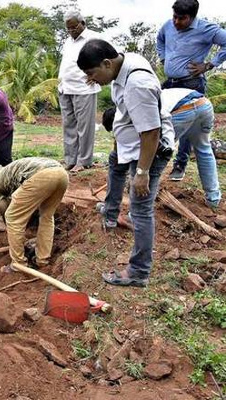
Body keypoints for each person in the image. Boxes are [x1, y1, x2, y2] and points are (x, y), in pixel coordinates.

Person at [77, 39, 175, 288]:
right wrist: (96, 75)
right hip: (135, 148)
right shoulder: (125, 63)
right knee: (136, 202)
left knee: (141, 209)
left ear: (107, 63)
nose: (92, 80)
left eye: (92, 73)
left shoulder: (137, 84)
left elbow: (151, 132)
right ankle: (137, 262)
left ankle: (138, 272)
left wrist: (142, 172)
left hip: (148, 151)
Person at [102, 88, 221, 211]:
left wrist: (138, 172)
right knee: (203, 149)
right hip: (204, 105)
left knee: (155, 154)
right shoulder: (133, 104)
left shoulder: (136, 111)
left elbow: (148, 142)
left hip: (183, 109)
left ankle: (139, 210)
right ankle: (213, 198)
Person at [157, 0, 226, 181]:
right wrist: (164, 58)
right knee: (160, 119)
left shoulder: (207, 29)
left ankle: (180, 165)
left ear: (192, 17)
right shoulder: (168, 25)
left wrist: (209, 64)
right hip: (170, 83)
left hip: (192, 84)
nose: (177, 22)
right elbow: (160, 38)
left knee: (190, 129)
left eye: (182, 18)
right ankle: (154, 161)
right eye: (175, 17)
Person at [0, 158, 68, 271]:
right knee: (47, 216)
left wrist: (12, 228)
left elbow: (3, 208)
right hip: (61, 173)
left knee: (12, 217)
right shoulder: (9, 170)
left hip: (42, 176)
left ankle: (18, 264)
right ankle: (42, 259)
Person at [58, 11, 101, 173]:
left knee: (84, 127)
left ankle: (84, 161)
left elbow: (110, 56)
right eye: (68, 28)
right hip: (65, 88)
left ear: (83, 22)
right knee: (69, 125)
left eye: (74, 27)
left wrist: (96, 76)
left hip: (84, 88)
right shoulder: (68, 41)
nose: (71, 31)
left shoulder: (94, 38)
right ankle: (70, 159)